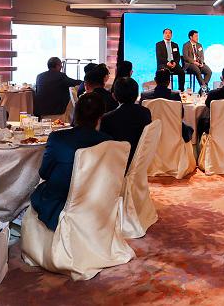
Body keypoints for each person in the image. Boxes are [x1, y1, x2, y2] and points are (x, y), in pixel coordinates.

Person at [29, 93, 112, 231]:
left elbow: (44, 172)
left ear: (75, 113)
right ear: (101, 116)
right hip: (96, 202)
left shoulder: (57, 138)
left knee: (38, 191)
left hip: (60, 206)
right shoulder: (109, 142)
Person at [99, 77, 152, 167]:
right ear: (136, 95)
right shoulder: (145, 112)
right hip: (140, 161)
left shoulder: (107, 118)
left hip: (115, 163)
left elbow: (103, 146)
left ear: (114, 96)